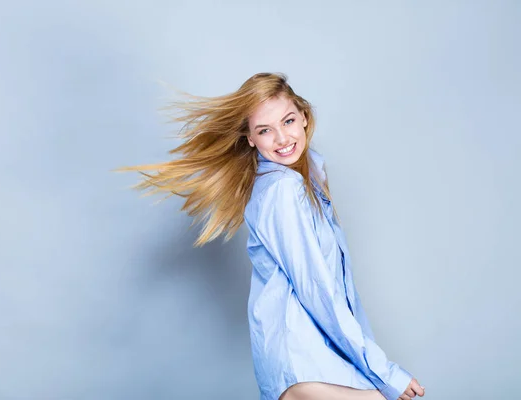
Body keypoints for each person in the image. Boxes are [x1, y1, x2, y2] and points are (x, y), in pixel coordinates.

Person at [115, 72, 425, 400]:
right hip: (300, 358)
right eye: (265, 130)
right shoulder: (282, 191)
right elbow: (318, 289)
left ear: (304, 117)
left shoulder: (307, 178)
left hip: (311, 358)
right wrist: (384, 372)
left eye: (288, 121)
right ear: (250, 138)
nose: (281, 138)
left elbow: (339, 291)